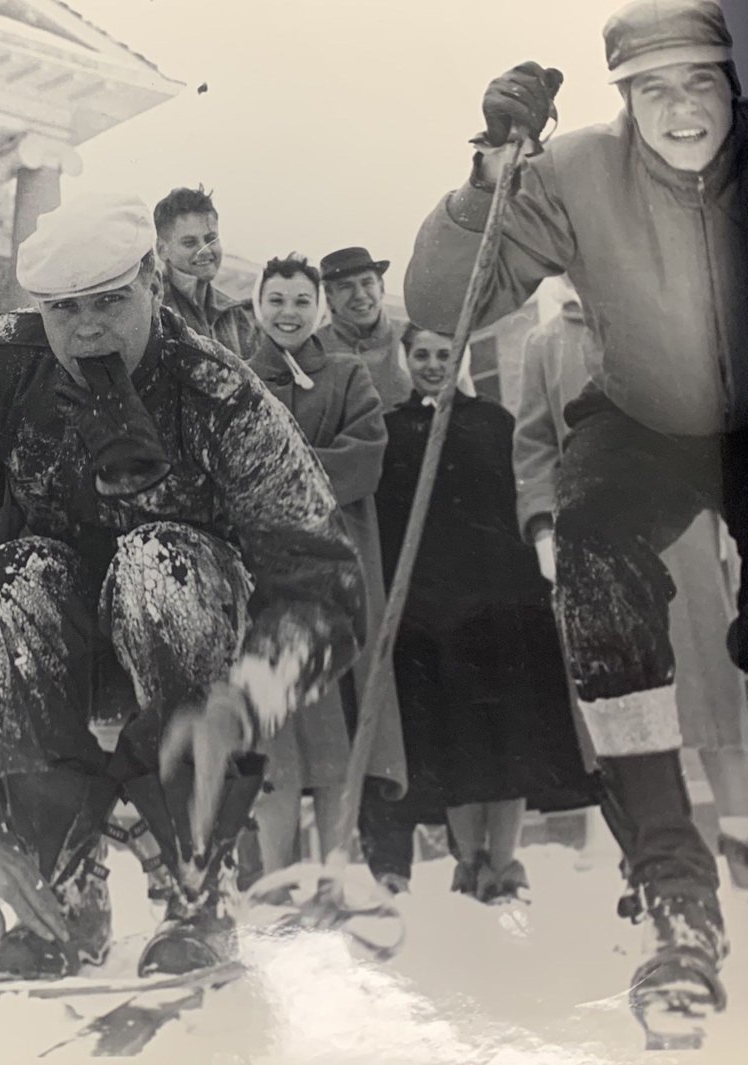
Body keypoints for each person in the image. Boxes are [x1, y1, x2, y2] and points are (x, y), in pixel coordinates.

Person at [0, 192, 366, 983]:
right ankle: (61, 880)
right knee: (8, 580)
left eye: (109, 301)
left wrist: (248, 698)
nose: (89, 328)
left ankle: (195, 881)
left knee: (154, 562)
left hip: (187, 633)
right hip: (59, 632)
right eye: (65, 310)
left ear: (153, 285)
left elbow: (326, 586)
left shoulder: (222, 396)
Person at [404, 0, 744, 1016]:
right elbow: (440, 302)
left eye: (700, 83)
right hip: (641, 414)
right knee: (594, 558)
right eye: (654, 90)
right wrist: (489, 175)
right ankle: (676, 886)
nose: (681, 110)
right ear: (624, 100)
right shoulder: (580, 172)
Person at [514, 276, 748, 884]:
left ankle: (741, 830)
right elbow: (534, 444)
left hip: (683, 524)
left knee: (710, 689)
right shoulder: (545, 343)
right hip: (597, 526)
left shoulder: (665, 312)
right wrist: (543, 527)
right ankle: (653, 850)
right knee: (620, 683)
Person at [372, 325, 595, 902]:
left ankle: (504, 861)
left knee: (509, 734)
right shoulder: (392, 431)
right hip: (428, 610)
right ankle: (468, 860)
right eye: (421, 354)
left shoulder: (494, 422)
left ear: (462, 357)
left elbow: (520, 496)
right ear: (404, 360)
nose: (433, 364)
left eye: (445, 354)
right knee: (451, 736)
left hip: (499, 605)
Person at [243, 254, 404, 875]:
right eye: (277, 300)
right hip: (263, 578)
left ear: (318, 309)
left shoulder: (346, 374)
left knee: (338, 726)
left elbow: (364, 457)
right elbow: (225, 458)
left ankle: (337, 868)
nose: (289, 313)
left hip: (335, 569)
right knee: (274, 731)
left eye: (301, 302)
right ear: (260, 304)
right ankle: (274, 876)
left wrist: (276, 465)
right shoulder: (235, 378)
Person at [153, 186, 257, 357]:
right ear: (162, 249)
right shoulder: (152, 309)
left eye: (211, 239)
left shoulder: (234, 312)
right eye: (189, 242)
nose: (205, 250)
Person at [316, 246, 412, 410]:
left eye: (367, 282)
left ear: (381, 288)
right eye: (345, 286)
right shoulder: (314, 347)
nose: (360, 295)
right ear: (329, 297)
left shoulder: (410, 338)